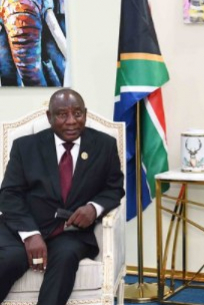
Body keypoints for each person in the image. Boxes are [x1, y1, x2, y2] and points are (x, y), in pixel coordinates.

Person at [0, 89, 125, 305]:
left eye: (77, 114)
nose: (71, 122)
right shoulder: (25, 147)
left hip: (71, 233)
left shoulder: (104, 146)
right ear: (49, 117)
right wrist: (30, 235)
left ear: (84, 114)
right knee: (10, 259)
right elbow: (9, 194)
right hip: (26, 226)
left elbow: (114, 188)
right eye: (62, 115)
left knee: (65, 258)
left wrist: (94, 208)